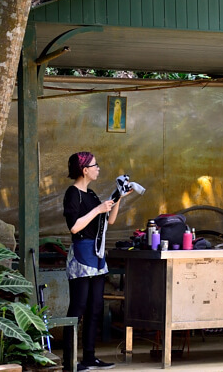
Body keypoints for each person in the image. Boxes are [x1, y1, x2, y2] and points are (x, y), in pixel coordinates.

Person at [63, 152, 128, 371]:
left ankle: (89, 357)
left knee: (95, 307)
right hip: (81, 253)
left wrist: (117, 199)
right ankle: (69, 360)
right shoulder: (73, 194)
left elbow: (109, 219)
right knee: (78, 306)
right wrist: (97, 209)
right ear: (84, 170)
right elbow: (74, 226)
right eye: (95, 165)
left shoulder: (90, 194)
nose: (98, 168)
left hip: (97, 253)